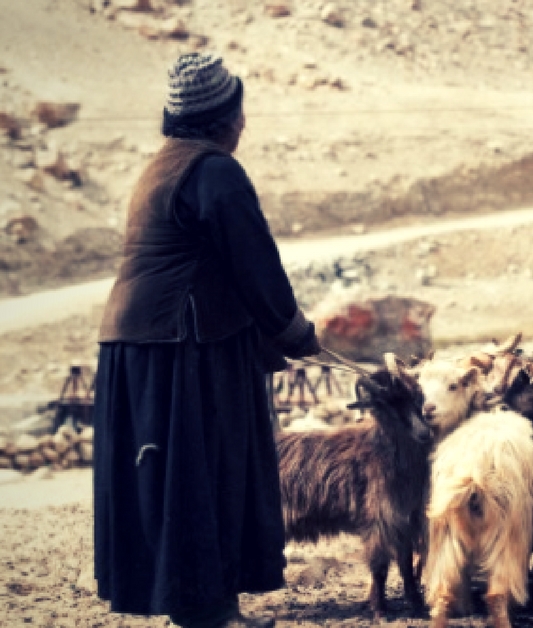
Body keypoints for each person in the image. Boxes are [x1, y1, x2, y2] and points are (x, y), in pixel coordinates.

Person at [93, 53, 320, 628]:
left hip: (146, 345)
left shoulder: (162, 166)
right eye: (239, 113)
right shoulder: (214, 171)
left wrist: (271, 342)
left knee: (179, 477)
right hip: (180, 348)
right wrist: (296, 333)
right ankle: (209, 611)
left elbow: (214, 267)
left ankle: (203, 606)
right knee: (204, 471)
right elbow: (254, 266)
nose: (243, 124)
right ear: (222, 118)